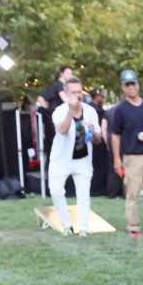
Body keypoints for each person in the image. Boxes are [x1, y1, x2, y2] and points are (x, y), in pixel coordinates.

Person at [110, 68, 143, 238]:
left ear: (138, 85)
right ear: (123, 87)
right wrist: (117, 159)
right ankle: (133, 227)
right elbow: (115, 135)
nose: (131, 87)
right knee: (132, 193)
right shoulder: (120, 109)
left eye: (133, 83)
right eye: (128, 85)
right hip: (131, 157)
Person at [48, 76, 100, 238]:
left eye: (79, 92)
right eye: (73, 92)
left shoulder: (90, 111)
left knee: (83, 194)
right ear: (66, 94)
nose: (77, 95)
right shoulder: (60, 111)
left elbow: (98, 139)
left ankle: (83, 228)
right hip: (61, 160)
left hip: (83, 159)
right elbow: (62, 130)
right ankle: (66, 225)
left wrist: (93, 131)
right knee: (56, 191)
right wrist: (71, 112)